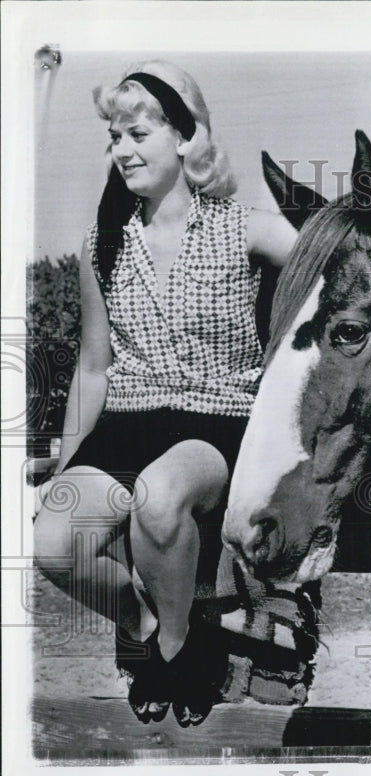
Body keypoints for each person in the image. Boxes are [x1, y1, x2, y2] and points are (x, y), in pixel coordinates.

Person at [33, 61, 297, 727]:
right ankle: (148, 623)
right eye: (114, 139)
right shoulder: (105, 245)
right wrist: (65, 468)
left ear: (186, 138)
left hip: (215, 424)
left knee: (157, 496)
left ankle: (181, 650)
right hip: (125, 421)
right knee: (55, 541)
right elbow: (94, 370)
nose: (122, 150)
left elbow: (335, 280)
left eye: (138, 134)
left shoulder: (249, 229)